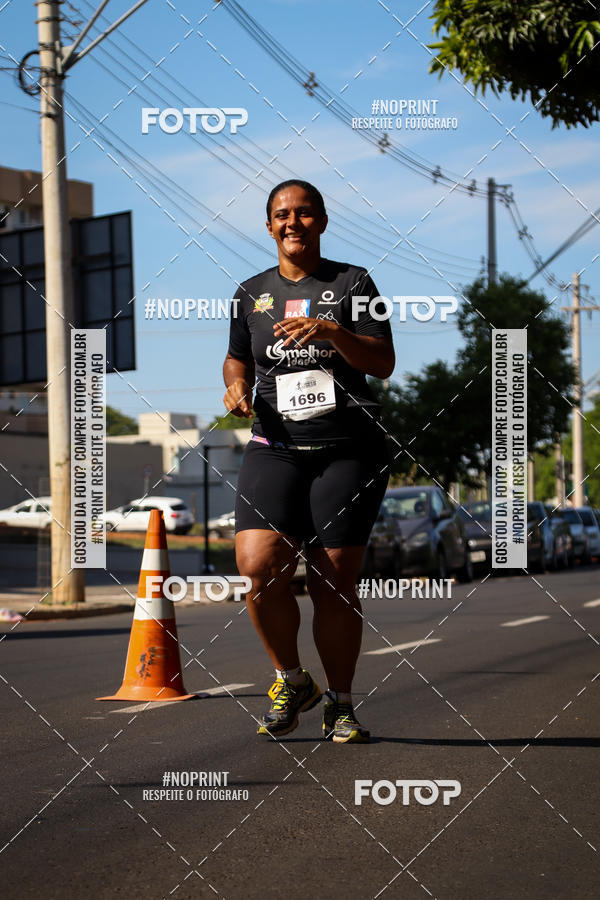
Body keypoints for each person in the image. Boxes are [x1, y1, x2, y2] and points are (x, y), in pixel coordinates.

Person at [222, 179, 395, 743]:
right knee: (256, 564)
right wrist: (236, 387)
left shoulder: (354, 282)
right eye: (281, 215)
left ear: (321, 221)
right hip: (275, 444)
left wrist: (332, 330)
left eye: (303, 213)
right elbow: (235, 359)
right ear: (268, 225)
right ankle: (292, 679)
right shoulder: (249, 292)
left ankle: (341, 703)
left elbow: (384, 361)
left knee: (333, 580)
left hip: (347, 449)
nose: (292, 222)